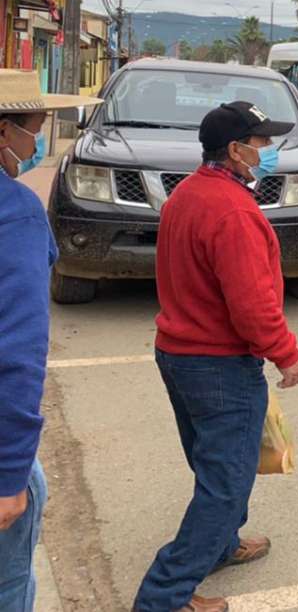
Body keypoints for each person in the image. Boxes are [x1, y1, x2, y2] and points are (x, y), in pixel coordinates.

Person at [134, 101, 298, 612]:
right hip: (218, 363)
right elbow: (252, 302)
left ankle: (224, 544)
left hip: (181, 353)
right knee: (226, 483)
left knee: (215, 464)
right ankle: (164, 597)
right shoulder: (233, 210)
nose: (267, 152)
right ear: (235, 150)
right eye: (260, 143)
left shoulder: (189, 192)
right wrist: (286, 353)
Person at [0, 71, 99, 612]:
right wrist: (10, 473)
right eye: (35, 127)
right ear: (2, 134)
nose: (38, 140)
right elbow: (17, 350)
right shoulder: (14, 212)